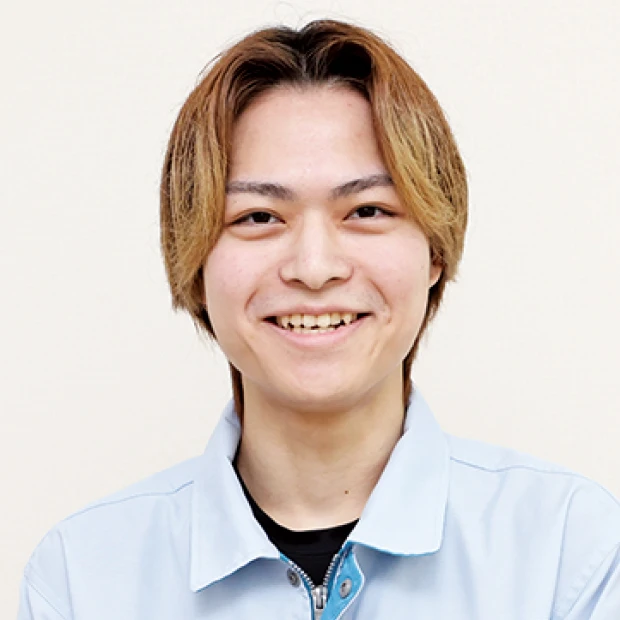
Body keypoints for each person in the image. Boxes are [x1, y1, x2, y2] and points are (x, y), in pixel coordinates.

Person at [18, 19, 620, 620]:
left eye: (367, 210)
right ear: (194, 261)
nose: (313, 267)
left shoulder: (570, 552)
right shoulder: (82, 577)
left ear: (434, 252)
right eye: (258, 217)